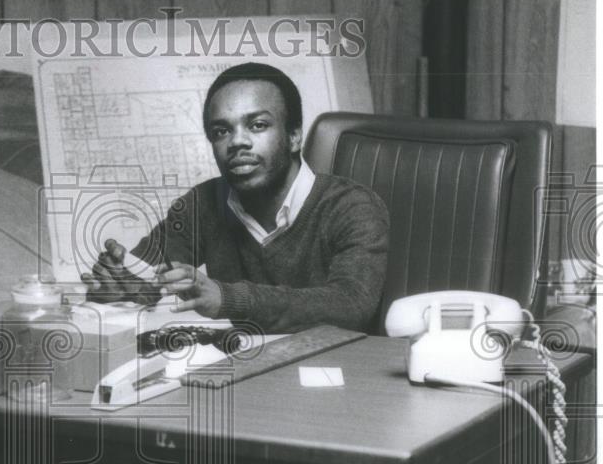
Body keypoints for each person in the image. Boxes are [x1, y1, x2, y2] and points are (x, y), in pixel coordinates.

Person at [80, 62, 390, 333]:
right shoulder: (203, 204)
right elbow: (146, 282)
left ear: (294, 136)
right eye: (221, 131)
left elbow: (351, 305)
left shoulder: (353, 207)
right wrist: (117, 287)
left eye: (258, 125)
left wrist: (227, 298)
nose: (237, 142)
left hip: (340, 376)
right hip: (248, 372)